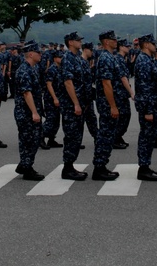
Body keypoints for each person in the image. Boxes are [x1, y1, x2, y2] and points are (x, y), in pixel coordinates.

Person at [91, 31, 123, 181]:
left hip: (111, 103)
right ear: (105, 41)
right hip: (107, 104)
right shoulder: (105, 58)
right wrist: (113, 106)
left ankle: (102, 166)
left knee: (108, 136)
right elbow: (106, 84)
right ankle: (99, 168)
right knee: (105, 136)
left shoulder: (111, 57)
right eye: (112, 39)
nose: (115, 41)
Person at [13, 42, 45, 181]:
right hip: (25, 112)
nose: (41, 55)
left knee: (34, 138)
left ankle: (24, 164)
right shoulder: (24, 70)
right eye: (38, 53)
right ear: (31, 54)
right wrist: (34, 112)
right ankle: (27, 168)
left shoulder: (33, 68)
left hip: (30, 110)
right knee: (28, 140)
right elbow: (27, 93)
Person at [134, 34, 157, 181]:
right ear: (146, 45)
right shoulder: (143, 61)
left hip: (153, 104)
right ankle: (143, 169)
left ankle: (146, 167)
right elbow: (144, 88)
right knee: (146, 138)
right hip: (148, 107)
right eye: (153, 43)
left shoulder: (148, 60)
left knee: (149, 137)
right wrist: (147, 111)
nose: (155, 46)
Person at [59, 32, 89, 181]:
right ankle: (67, 168)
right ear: (70, 42)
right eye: (78, 40)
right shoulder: (67, 58)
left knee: (77, 137)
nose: (80, 42)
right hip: (71, 106)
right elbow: (68, 82)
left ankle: (70, 166)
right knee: (71, 136)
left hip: (81, 103)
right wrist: (76, 103)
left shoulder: (78, 58)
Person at [41, 49, 64, 149]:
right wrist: (54, 98)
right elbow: (49, 84)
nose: (61, 59)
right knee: (50, 120)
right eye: (60, 57)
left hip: (59, 97)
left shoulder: (60, 68)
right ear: (55, 58)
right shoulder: (52, 69)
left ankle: (51, 139)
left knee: (56, 120)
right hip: (51, 98)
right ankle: (40, 138)